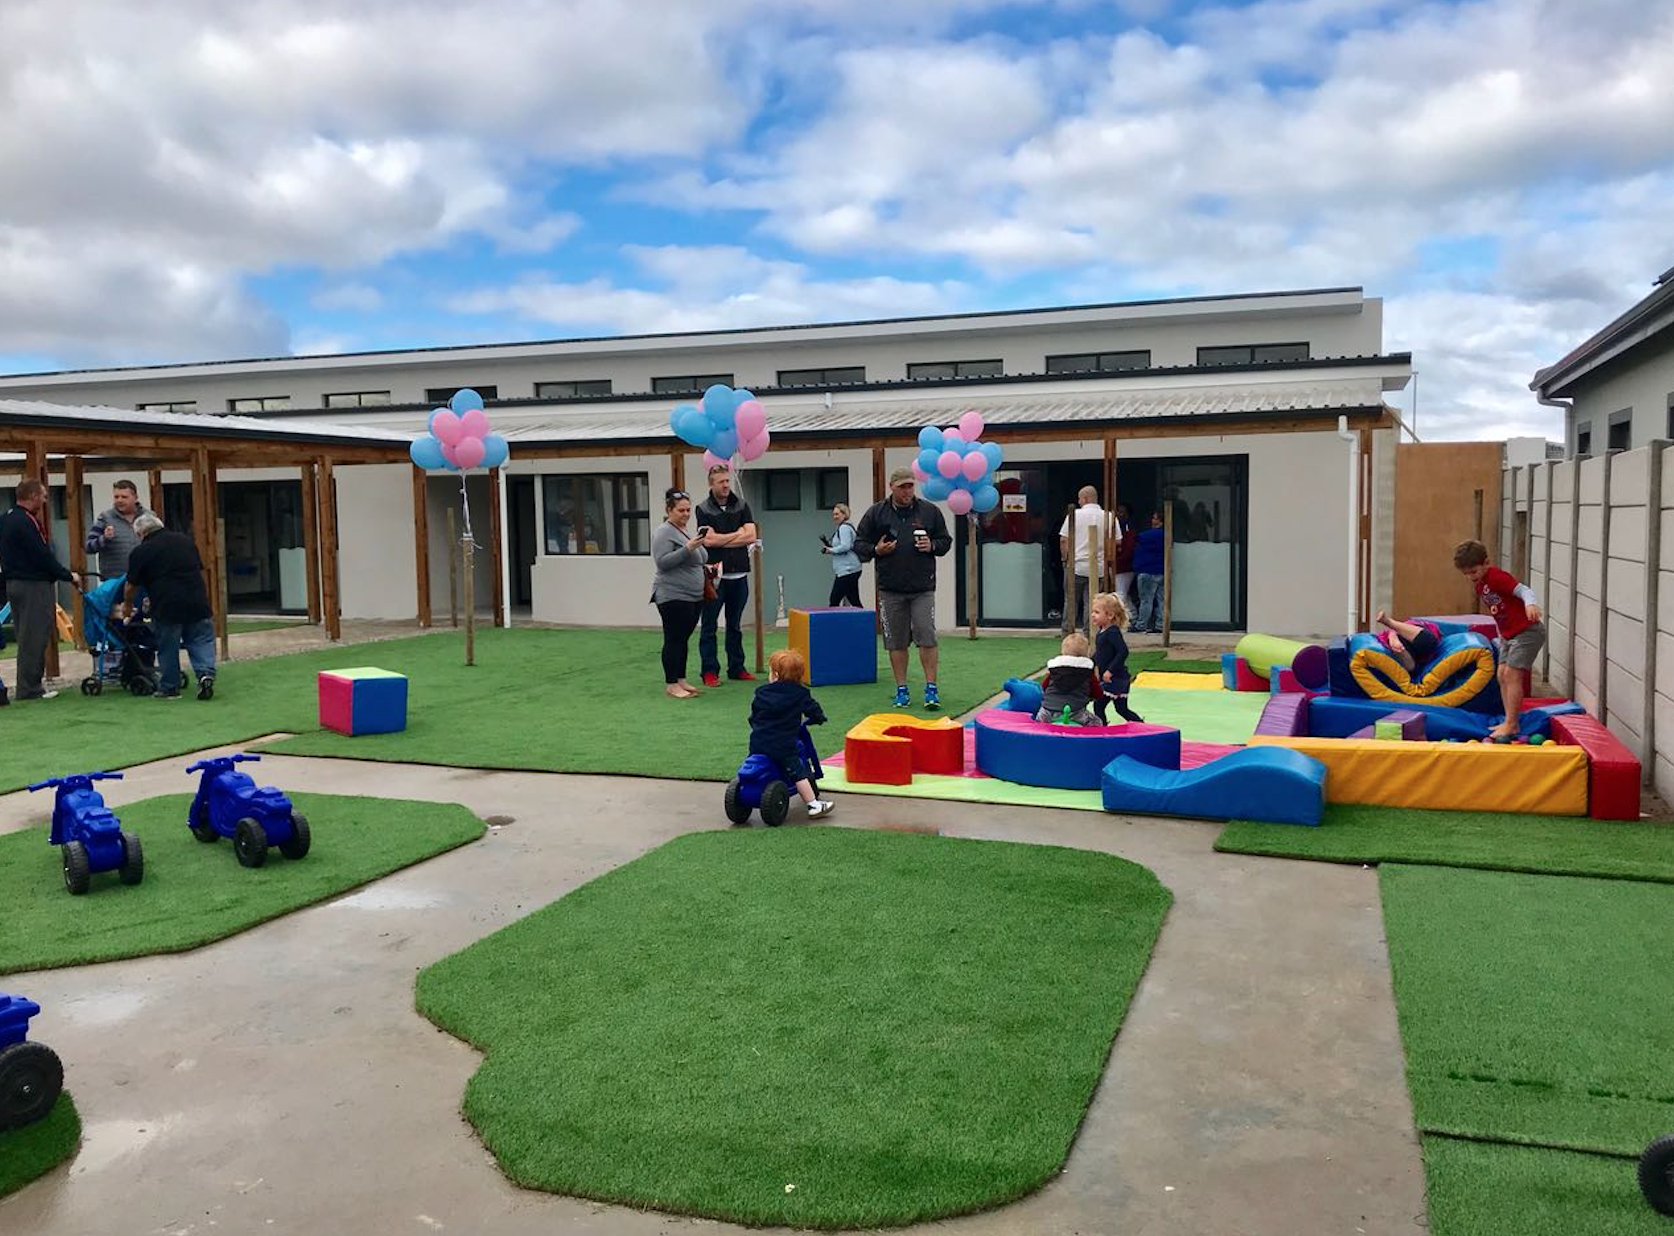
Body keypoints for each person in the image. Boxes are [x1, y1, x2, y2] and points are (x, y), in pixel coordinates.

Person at [855, 466, 953, 709]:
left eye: (911, 486)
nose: (908, 491)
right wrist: (876, 550)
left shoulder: (929, 511)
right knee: (896, 642)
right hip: (890, 589)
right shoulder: (876, 513)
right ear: (892, 487)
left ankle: (931, 689)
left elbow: (945, 541)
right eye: (902, 487)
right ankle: (902, 689)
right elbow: (859, 544)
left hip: (923, 588)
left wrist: (932, 546)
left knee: (926, 636)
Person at [1454, 539, 1546, 740]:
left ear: (1486, 563)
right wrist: (1500, 634)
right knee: (1502, 674)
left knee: (1512, 675)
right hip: (1508, 635)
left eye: (1474, 571)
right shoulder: (1480, 585)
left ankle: (1512, 724)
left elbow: (1523, 590)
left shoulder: (1495, 577)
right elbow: (1499, 612)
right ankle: (1508, 720)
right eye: (1466, 574)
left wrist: (1530, 605)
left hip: (1527, 631)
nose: (1470, 577)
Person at [0, 479, 80, 701]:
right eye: (43, 496)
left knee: (25, 635)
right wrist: (67, 575)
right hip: (32, 585)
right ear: (33, 496)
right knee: (34, 636)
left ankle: (27, 685)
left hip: (13, 583)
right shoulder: (27, 522)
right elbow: (42, 555)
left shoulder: (6, 518)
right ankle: (30, 688)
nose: (45, 501)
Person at [120, 512, 215, 700]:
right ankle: (205, 674)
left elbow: (131, 585)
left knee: (168, 646)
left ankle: (170, 688)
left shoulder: (141, 551)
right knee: (200, 639)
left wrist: (127, 605)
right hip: (196, 600)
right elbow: (200, 570)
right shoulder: (185, 541)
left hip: (166, 604)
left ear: (140, 534)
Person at [746, 648, 834, 819]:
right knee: (798, 772)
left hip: (758, 741)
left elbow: (754, 715)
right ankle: (813, 804)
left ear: (775, 675)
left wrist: (757, 726)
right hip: (783, 744)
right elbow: (813, 709)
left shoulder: (762, 692)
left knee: (755, 758)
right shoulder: (800, 693)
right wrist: (818, 718)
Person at [694, 465, 759, 686]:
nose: (725, 485)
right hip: (714, 578)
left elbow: (751, 536)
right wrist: (737, 534)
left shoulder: (742, 505)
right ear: (711, 484)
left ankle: (737, 667)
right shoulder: (703, 509)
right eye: (721, 482)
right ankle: (709, 671)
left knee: (735, 625)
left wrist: (724, 538)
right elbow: (708, 540)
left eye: (727, 481)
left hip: (739, 575)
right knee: (709, 626)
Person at [650, 488, 716, 698]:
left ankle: (681, 679)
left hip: (693, 596)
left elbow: (698, 558)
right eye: (681, 510)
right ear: (669, 510)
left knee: (683, 639)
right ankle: (671, 684)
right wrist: (688, 548)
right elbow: (662, 562)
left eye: (688, 510)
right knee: (674, 639)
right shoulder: (663, 532)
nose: (686, 514)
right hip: (672, 595)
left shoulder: (685, 531)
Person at [1058, 485, 1111, 633]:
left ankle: (1068, 633)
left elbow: (1064, 540)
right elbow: (1116, 541)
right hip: (1098, 567)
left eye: (1080, 499)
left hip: (1076, 565)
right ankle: (1090, 633)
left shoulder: (1074, 515)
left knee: (1071, 601)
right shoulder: (1108, 516)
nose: (1079, 502)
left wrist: (1065, 559)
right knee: (1093, 603)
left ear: (1085, 499)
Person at [1090, 592, 1144, 724]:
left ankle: (1102, 729)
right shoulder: (1102, 632)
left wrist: (1110, 670)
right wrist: (1090, 663)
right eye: (1093, 612)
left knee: (1099, 705)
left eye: (1097, 612)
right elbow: (1101, 653)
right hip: (1113, 678)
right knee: (1121, 709)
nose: (1093, 615)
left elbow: (1123, 651)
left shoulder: (1113, 632)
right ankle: (1139, 724)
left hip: (1116, 678)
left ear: (1109, 615)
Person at [84, 479, 147, 583]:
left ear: (135, 498)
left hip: (144, 578)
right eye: (116, 497)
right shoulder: (105, 518)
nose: (119, 500)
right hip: (114, 581)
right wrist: (104, 538)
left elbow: (160, 544)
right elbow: (88, 547)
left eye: (124, 497)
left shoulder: (148, 517)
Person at [1036, 632, 1097, 726]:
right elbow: (1097, 692)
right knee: (1097, 722)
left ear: (1063, 652)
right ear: (1086, 653)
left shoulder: (1055, 671)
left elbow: (1044, 687)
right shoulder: (1087, 672)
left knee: (1038, 725)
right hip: (1075, 712)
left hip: (1047, 711)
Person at [821, 503, 863, 607]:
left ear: (844, 514)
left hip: (846, 570)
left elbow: (845, 546)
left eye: (837, 514)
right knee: (854, 600)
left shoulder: (844, 528)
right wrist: (832, 548)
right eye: (833, 514)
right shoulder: (846, 527)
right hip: (851, 569)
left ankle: (833, 618)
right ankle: (865, 617)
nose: (834, 517)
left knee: (834, 600)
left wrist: (831, 550)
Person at [1373, 611, 1442, 674]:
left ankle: (1395, 639)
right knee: (1428, 642)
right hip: (1408, 642)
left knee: (1414, 667)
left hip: (1418, 652)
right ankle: (1393, 635)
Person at [1133, 512, 1166, 634]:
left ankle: (1141, 625)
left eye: (1154, 518)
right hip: (1161, 570)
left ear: (1159, 521)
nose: (1152, 520)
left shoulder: (1145, 536)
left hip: (1147, 570)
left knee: (1146, 600)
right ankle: (1161, 625)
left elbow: (1136, 542)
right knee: (1161, 599)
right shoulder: (1166, 536)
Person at [1112, 503, 1136, 611]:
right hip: (1117, 566)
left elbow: (1128, 550)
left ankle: (1124, 617)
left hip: (1124, 567)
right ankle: (1133, 614)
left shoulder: (1127, 529)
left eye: (1122, 512)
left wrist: (1117, 561)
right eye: (1118, 511)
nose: (1119, 514)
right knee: (1123, 594)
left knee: (1120, 594)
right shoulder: (1114, 527)